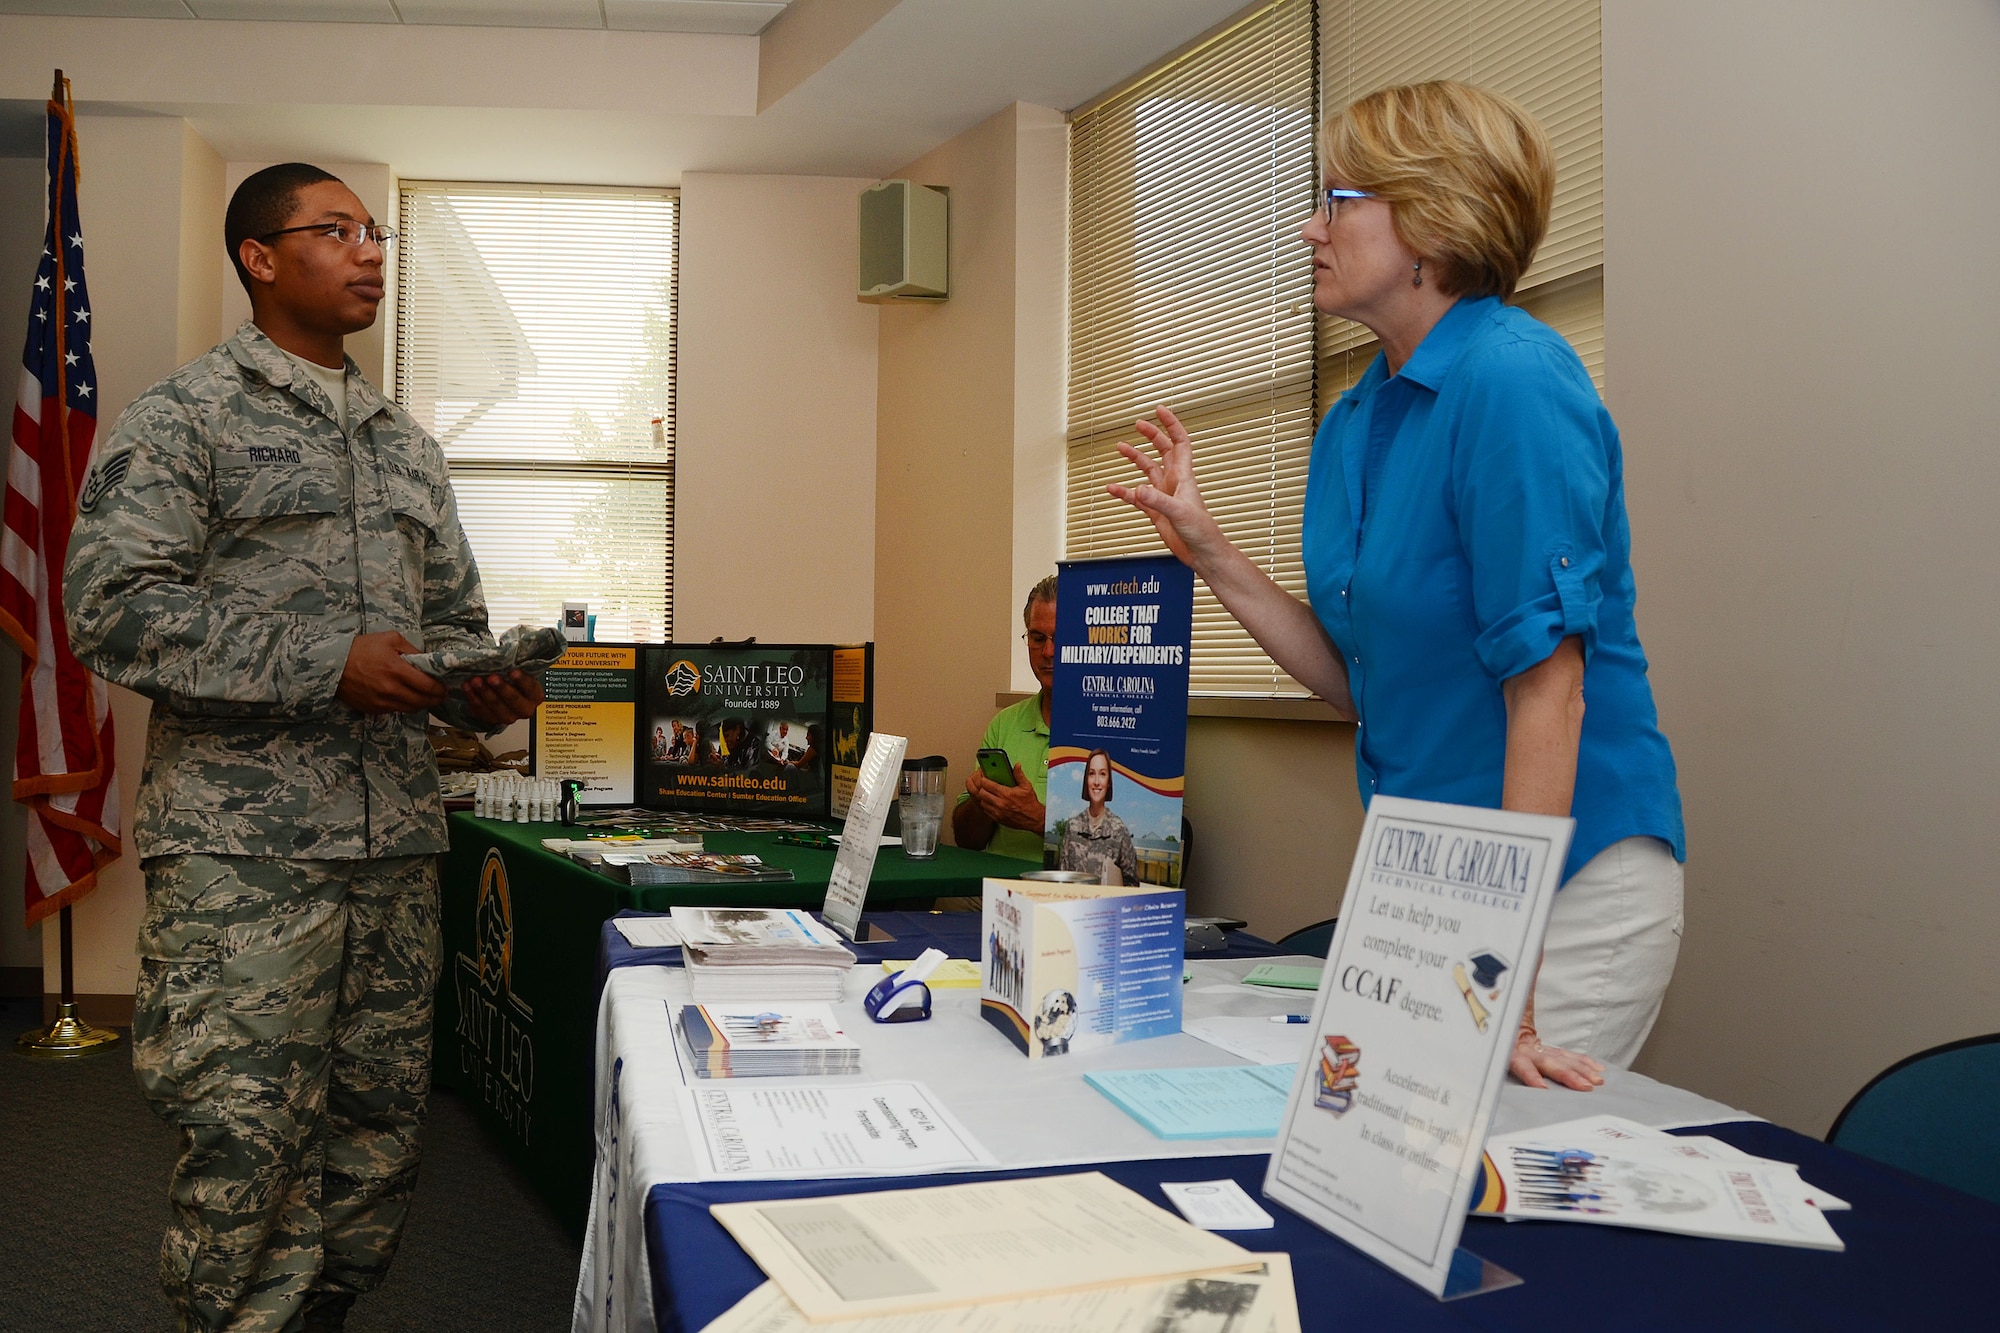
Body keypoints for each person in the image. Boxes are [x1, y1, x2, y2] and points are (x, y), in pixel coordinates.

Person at [1107, 82, 1684, 1093]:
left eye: (1335, 201)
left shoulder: (1513, 380)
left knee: (1493, 1182)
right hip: (1425, 875)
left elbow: (1546, 689)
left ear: (1434, 217)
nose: (1307, 227)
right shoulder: (1355, 416)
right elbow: (1360, 685)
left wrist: (1512, 978)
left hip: (1558, 883)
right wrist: (1209, 552)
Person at [63, 163, 543, 1333]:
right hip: (247, 854)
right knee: (247, 1131)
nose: (370, 250)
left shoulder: (406, 447)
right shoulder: (186, 416)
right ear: (260, 259)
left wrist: (478, 687)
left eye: (374, 231)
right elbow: (110, 605)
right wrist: (325, 659)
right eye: (336, 230)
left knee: (377, 1129)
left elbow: (450, 624)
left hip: (393, 846)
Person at [952, 574, 1056, 860]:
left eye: (1062, 638)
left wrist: (1038, 820)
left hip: (1075, 897)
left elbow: (1130, 847)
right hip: (995, 893)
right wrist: (981, 801)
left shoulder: (1114, 727)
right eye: (1037, 638)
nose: (1048, 652)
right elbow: (967, 841)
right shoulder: (1005, 724)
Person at [1056, 749, 1140, 885]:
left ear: (1108, 782)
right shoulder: (1072, 828)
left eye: (1102, 774)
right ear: (1086, 780)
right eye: (1091, 774)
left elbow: (1132, 886)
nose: (1096, 781)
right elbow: (1062, 879)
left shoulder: (1119, 831)